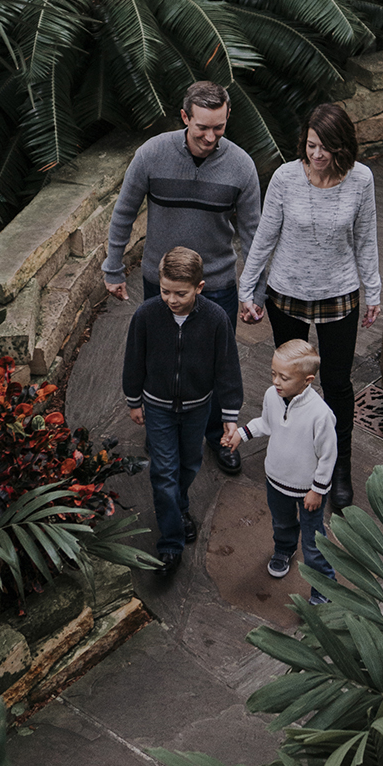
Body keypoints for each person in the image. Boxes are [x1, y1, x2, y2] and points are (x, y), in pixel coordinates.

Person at [104, 81, 261, 475]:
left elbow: (253, 233)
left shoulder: (241, 166)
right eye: (202, 128)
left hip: (219, 284)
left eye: (220, 128)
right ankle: (159, 427)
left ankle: (215, 434)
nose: (211, 137)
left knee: (213, 362)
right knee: (160, 355)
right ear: (185, 117)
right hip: (162, 282)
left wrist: (253, 289)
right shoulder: (152, 154)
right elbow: (124, 211)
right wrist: (112, 266)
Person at [237, 102, 380, 510]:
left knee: (336, 385)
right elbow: (264, 237)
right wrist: (249, 291)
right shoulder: (285, 177)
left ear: (342, 147)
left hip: (340, 295)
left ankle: (339, 469)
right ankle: (291, 455)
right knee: (289, 381)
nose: (316, 155)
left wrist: (374, 290)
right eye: (311, 145)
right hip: (287, 297)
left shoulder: (361, 180)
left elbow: (366, 239)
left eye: (325, 148)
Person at [122, 247, 242, 576]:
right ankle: (171, 544)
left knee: (188, 465)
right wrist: (134, 400)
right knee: (163, 473)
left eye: (180, 293)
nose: (171, 300)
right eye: (165, 291)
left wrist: (230, 415)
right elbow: (133, 359)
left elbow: (228, 368)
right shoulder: (146, 316)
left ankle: (181, 506)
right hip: (158, 408)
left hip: (197, 409)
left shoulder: (216, 319)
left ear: (199, 288)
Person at [223, 339, 339, 605]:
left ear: (307, 380)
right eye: (273, 373)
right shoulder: (271, 396)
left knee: (313, 544)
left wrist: (317, 490)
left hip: (308, 491)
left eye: (284, 377)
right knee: (282, 523)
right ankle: (284, 550)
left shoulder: (320, 415)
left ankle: (324, 590)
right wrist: (241, 434)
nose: (276, 381)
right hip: (276, 480)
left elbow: (328, 456)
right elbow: (266, 423)